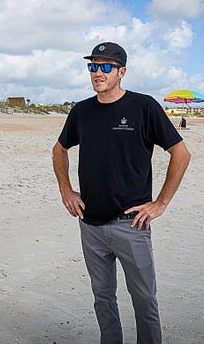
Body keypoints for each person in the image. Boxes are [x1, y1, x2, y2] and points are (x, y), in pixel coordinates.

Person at [52, 42, 191, 343]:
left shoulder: (144, 106)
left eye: (105, 67)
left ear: (122, 71)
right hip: (90, 224)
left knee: (144, 300)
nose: (97, 73)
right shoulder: (82, 111)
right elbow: (59, 149)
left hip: (132, 224)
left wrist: (160, 203)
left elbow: (181, 153)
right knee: (102, 297)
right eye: (93, 66)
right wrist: (66, 191)